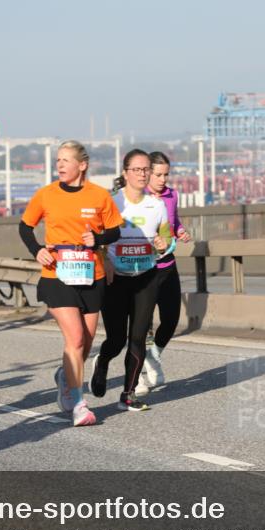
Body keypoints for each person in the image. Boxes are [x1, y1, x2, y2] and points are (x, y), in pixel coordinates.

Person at [19, 140, 121, 426]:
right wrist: (36, 249)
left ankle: (65, 376)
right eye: (58, 161)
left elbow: (114, 232)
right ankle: (79, 403)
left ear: (82, 165)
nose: (60, 165)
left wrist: (97, 239)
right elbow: (25, 226)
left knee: (86, 343)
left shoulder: (99, 196)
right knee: (74, 338)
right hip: (57, 275)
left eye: (66, 160)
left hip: (91, 275)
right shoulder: (46, 195)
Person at [90, 149, 172, 412]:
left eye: (146, 169)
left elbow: (167, 240)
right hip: (116, 279)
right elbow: (96, 238)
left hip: (145, 277)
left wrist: (163, 244)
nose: (142, 174)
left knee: (137, 338)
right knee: (116, 340)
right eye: (137, 169)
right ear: (125, 173)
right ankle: (102, 362)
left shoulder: (157, 205)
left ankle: (128, 393)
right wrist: (106, 261)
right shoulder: (111, 202)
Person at [138, 151, 191, 395]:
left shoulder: (172, 195)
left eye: (166, 175)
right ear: (147, 173)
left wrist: (180, 232)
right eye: (158, 174)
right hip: (144, 268)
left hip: (168, 264)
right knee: (141, 324)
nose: (162, 180)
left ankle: (154, 354)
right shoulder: (138, 198)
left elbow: (174, 222)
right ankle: (137, 375)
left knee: (170, 318)